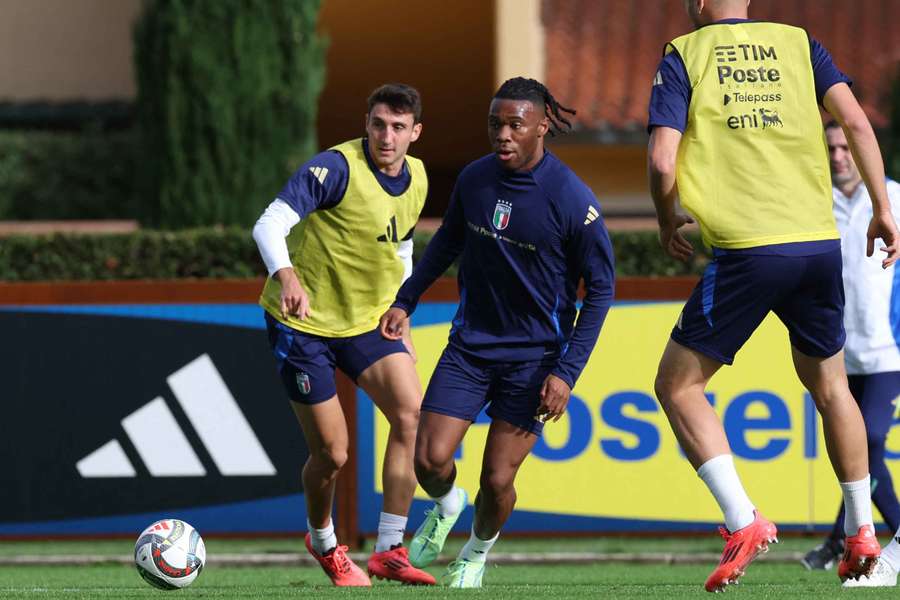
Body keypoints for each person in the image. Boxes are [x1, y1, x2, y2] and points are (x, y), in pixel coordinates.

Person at [647, 0, 900, 592]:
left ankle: (742, 520)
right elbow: (860, 125)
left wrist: (665, 218)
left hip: (749, 249)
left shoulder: (684, 54)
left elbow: (663, 161)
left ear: (702, 2)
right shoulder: (800, 42)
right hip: (818, 245)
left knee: (677, 385)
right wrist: (884, 210)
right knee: (832, 388)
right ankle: (862, 531)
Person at [379, 77, 615, 588]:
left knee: (497, 479)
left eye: (515, 124)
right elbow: (446, 243)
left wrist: (566, 373)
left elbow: (600, 291)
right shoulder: (474, 180)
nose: (502, 134)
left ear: (542, 126)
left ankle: (476, 552)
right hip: (469, 348)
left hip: (534, 361)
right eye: (495, 124)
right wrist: (406, 300)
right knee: (429, 459)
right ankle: (446, 505)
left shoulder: (572, 198)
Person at [252, 83, 436, 587]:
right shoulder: (335, 169)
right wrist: (286, 276)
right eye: (378, 124)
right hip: (303, 325)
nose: (386, 136)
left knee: (411, 413)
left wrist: (403, 311)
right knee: (333, 454)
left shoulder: (418, 176)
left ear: (415, 133)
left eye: (399, 127)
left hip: (367, 320)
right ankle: (325, 542)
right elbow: (268, 226)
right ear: (367, 123)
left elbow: (400, 249)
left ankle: (389, 550)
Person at [801, 122, 900, 588]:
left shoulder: (893, 199)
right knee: (853, 448)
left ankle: (886, 534)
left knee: (873, 439)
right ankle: (838, 540)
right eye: (831, 148)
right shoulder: (814, 203)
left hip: (890, 352)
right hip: (839, 355)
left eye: (845, 146)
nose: (838, 155)